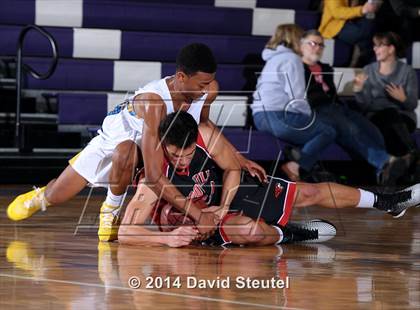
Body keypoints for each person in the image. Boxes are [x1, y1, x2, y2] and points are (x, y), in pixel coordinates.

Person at [6, 43, 267, 242]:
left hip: (156, 145)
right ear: (180, 77)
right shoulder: (154, 102)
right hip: (119, 137)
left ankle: (111, 212)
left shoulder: (208, 89)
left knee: (132, 156)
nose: (206, 89)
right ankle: (42, 197)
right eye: (201, 84)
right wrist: (199, 216)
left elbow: (205, 125)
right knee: (64, 191)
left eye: (209, 82)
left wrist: (237, 158)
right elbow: (154, 175)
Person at [118, 111, 420, 247]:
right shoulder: (153, 179)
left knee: (308, 193)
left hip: (221, 196)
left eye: (187, 154)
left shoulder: (205, 135)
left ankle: (387, 201)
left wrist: (223, 207)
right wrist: (167, 239)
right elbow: (125, 234)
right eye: (175, 156)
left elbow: (233, 168)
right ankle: (290, 234)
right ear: (162, 146)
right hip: (194, 222)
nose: (182, 161)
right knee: (250, 231)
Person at [300, 29, 411, 184]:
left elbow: (332, 93)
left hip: (336, 106)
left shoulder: (325, 68)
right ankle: (386, 162)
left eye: (320, 45)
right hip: (316, 108)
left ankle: (382, 173)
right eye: (312, 43)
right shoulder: (297, 66)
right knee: (351, 128)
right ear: (301, 46)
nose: (317, 47)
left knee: (372, 129)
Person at [251, 24, 337, 181]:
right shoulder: (292, 59)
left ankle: (301, 163)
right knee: (327, 131)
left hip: (259, 117)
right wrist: (310, 117)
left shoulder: (274, 58)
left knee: (308, 130)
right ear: (296, 39)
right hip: (278, 116)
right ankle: (295, 166)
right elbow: (296, 98)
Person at [354, 32, 419, 157]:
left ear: (391, 49)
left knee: (391, 122)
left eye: (379, 46)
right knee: (389, 114)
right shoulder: (368, 70)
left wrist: (403, 98)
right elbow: (365, 107)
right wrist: (359, 90)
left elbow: (412, 105)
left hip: (404, 119)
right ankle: (412, 153)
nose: (374, 49)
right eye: (374, 46)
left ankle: (394, 164)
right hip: (375, 117)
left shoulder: (407, 71)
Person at [318, 0, 378, 67]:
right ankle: (367, 63)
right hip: (334, 27)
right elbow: (337, 12)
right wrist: (362, 10)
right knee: (365, 32)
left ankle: (367, 64)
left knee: (369, 32)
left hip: (350, 20)